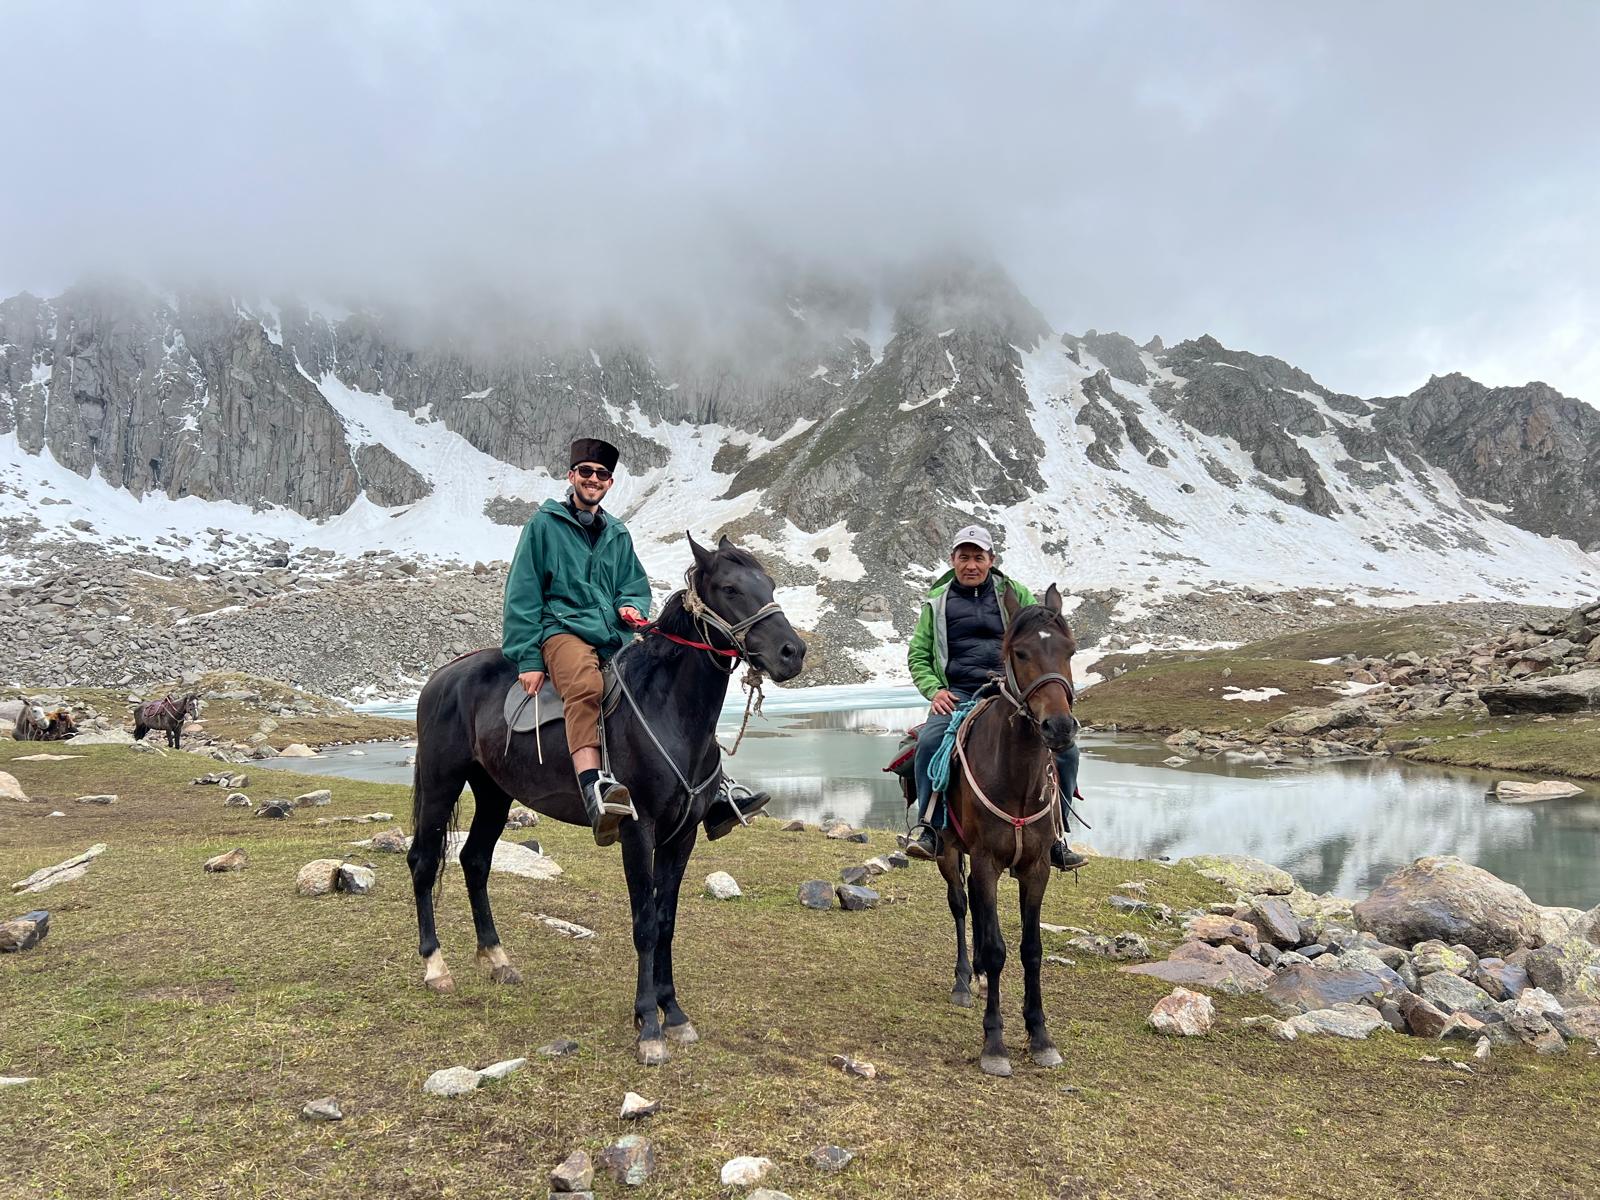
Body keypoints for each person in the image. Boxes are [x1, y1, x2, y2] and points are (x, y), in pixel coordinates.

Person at [502, 437, 768, 845]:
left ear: (609, 483)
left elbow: (634, 585)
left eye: (602, 474)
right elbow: (522, 593)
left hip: (614, 633)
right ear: (572, 476)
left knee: (669, 691)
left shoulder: (617, 533)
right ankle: (595, 787)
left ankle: (714, 788)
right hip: (562, 630)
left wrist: (629, 605)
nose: (594, 479)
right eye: (586, 472)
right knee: (587, 686)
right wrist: (527, 659)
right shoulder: (543, 526)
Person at [903, 524, 1086, 870]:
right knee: (929, 742)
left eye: (978, 557)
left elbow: (1040, 638)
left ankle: (1057, 836)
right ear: (952, 560)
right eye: (964, 557)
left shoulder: (1014, 594)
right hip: (958, 693)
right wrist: (934, 690)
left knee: (1067, 752)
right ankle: (930, 829)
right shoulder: (937, 603)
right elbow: (919, 655)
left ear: (991, 560)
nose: (971, 565)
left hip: (1011, 692)